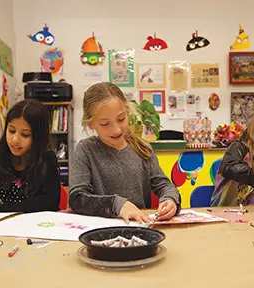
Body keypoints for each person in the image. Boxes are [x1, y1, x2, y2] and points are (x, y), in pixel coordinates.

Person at [69, 82, 181, 223]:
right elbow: (77, 198)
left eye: (121, 119)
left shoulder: (142, 148)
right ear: (90, 123)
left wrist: (170, 200)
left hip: (138, 228)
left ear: (127, 112)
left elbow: (164, 185)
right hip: (100, 230)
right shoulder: (85, 150)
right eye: (105, 124)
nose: (116, 130)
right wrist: (117, 205)